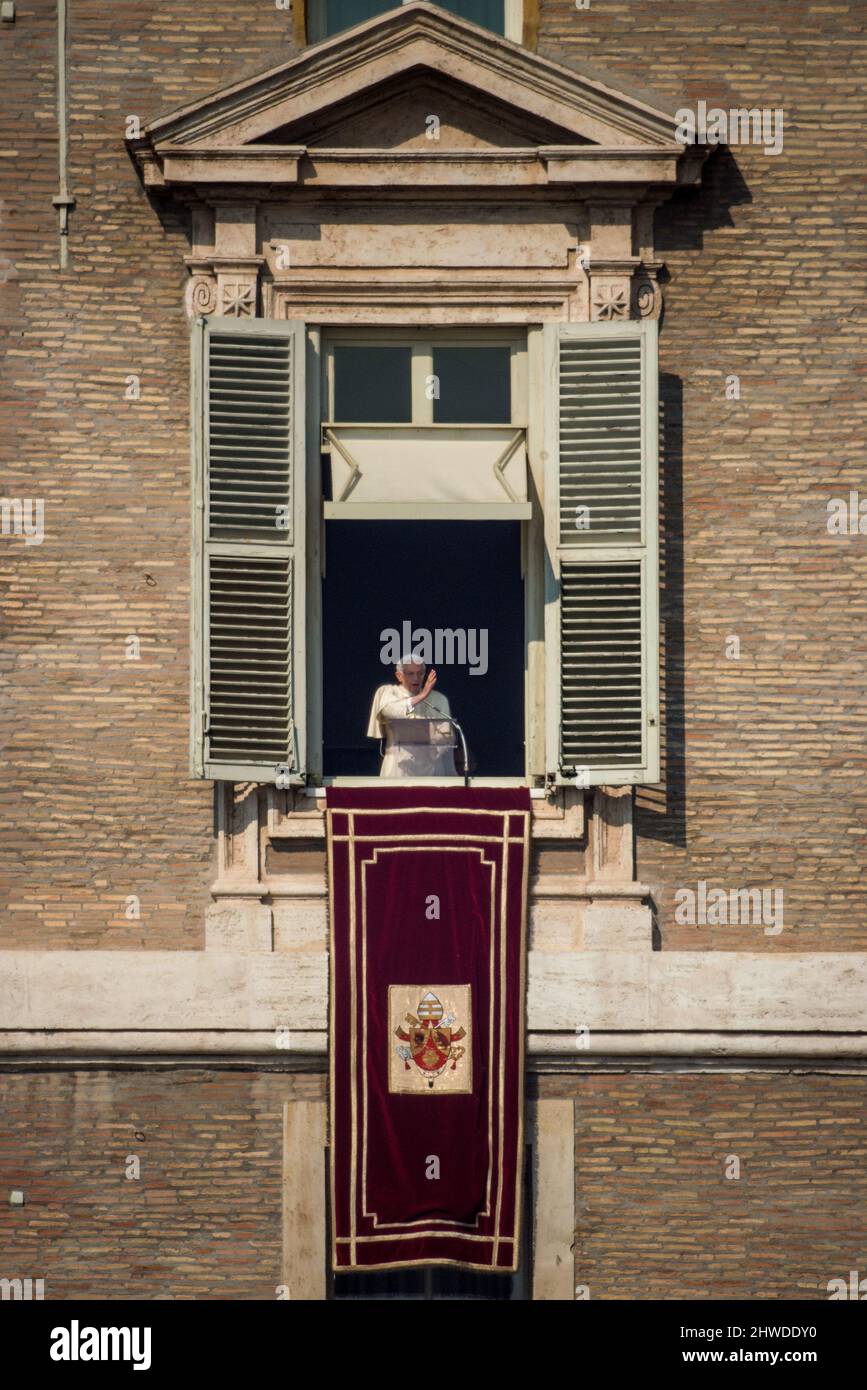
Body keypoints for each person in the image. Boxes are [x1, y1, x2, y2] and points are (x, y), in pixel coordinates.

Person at [366, 654, 457, 778]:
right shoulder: (389, 692)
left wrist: (433, 740)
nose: (416, 678)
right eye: (410, 674)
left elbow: (447, 736)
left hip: (431, 770)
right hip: (399, 768)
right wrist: (421, 696)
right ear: (399, 676)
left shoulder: (439, 699)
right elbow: (391, 711)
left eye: (420, 673)